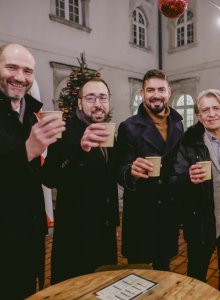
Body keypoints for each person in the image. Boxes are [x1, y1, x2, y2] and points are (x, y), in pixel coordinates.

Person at [170, 89, 220, 299]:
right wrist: (188, 178)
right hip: (201, 222)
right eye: (205, 110)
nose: (211, 113)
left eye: (216, 108)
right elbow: (175, 179)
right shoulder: (188, 141)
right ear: (199, 116)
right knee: (196, 276)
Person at [0, 43, 65, 299]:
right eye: (11, 67)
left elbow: (46, 177)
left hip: (30, 235)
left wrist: (70, 149)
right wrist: (27, 150)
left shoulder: (33, 113)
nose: (20, 77)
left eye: (27, 71)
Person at [42, 78, 119, 284]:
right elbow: (49, 177)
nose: (97, 104)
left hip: (105, 231)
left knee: (103, 288)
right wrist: (80, 150)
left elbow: (111, 174)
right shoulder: (65, 131)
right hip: (75, 234)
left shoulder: (109, 131)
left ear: (109, 101)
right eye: (90, 98)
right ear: (79, 103)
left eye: (102, 97)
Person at [116, 69, 184, 271]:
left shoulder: (178, 124)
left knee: (164, 269)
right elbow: (119, 168)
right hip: (140, 212)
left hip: (168, 212)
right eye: (150, 90)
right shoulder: (129, 127)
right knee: (137, 274)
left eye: (161, 89)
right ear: (142, 93)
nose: (156, 95)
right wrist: (130, 171)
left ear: (169, 91)